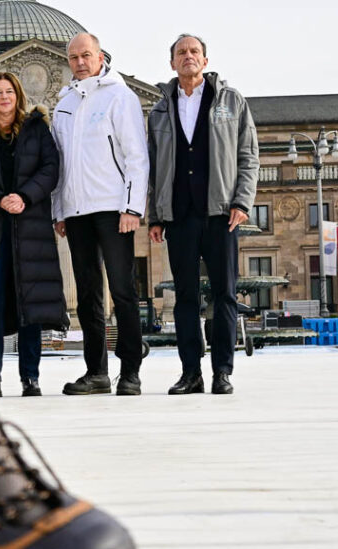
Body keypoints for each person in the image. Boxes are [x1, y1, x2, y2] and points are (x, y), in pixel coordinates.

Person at [147, 34, 259, 395]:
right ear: (172, 63)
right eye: (181, 52)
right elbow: (153, 167)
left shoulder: (231, 101)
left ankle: (222, 371)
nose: (188, 56)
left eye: (194, 51)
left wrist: (242, 202)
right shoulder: (160, 109)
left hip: (221, 212)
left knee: (225, 294)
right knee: (185, 297)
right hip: (179, 215)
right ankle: (190, 373)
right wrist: (155, 216)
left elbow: (248, 155)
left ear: (205, 61)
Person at [0, 71, 66, 398]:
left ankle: (30, 377)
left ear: (18, 96)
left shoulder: (36, 130)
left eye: (9, 92)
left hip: (30, 228)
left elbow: (51, 169)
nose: (4, 97)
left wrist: (25, 196)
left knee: (29, 303)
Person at [53, 33, 149, 397]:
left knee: (123, 290)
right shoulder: (64, 103)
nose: (80, 62)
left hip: (113, 209)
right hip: (76, 212)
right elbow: (60, 162)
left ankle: (130, 371)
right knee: (88, 293)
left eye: (86, 55)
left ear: (100, 57)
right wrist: (59, 210)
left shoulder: (120, 96)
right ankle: (96, 372)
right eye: (73, 57)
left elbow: (136, 156)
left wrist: (132, 207)